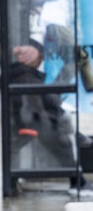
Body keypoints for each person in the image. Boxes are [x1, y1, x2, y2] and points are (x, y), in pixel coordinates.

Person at [9, 42, 93, 195]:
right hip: (31, 122)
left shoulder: (23, 74)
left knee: (61, 131)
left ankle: (78, 179)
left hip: (30, 119)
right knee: (63, 141)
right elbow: (50, 100)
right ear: (30, 60)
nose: (41, 60)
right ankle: (78, 182)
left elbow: (46, 100)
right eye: (38, 57)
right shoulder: (27, 76)